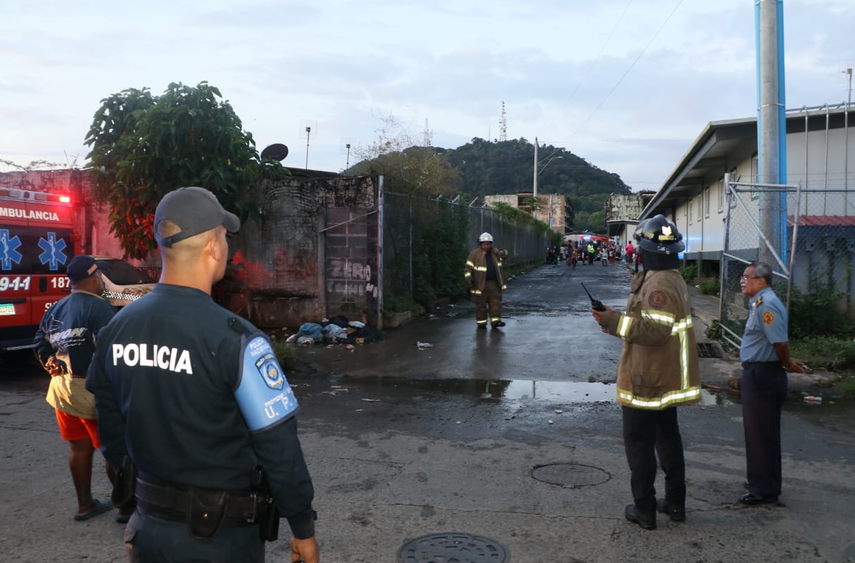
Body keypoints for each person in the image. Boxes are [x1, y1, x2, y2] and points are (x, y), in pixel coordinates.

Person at [86, 187, 319, 563]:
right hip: (222, 540)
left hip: (148, 531)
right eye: (225, 238)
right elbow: (279, 447)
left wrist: (139, 499)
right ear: (213, 247)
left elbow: (111, 430)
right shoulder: (238, 340)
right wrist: (302, 526)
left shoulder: (117, 327)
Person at [590, 215, 701, 530]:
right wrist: (616, 315)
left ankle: (645, 509)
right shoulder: (669, 276)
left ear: (647, 250)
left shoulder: (659, 283)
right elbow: (655, 321)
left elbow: (654, 331)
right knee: (667, 438)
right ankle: (675, 504)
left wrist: (612, 322)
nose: (636, 252)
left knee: (639, 444)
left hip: (648, 380)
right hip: (663, 378)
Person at [34, 254, 121, 522]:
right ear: (94, 279)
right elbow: (110, 353)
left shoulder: (55, 308)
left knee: (79, 449)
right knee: (114, 449)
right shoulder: (102, 309)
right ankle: (127, 508)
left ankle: (85, 505)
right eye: (101, 277)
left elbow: (40, 342)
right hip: (93, 389)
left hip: (62, 389)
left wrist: (50, 361)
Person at [735, 262, 805, 506]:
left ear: (761, 282)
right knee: (759, 432)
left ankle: (764, 489)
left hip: (763, 376)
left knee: (761, 433)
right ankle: (763, 481)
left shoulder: (767, 305)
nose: (742, 281)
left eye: (747, 277)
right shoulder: (759, 303)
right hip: (759, 373)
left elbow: (780, 344)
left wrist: (785, 364)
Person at [464, 232, 508, 329]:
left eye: (488, 243)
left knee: (495, 303)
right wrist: (468, 277)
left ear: (491, 244)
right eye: (484, 244)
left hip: (494, 283)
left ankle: (495, 321)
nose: (486, 246)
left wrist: (503, 252)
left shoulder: (495, 252)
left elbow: (504, 255)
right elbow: (468, 268)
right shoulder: (474, 254)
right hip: (479, 284)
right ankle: (481, 323)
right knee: (480, 305)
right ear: (480, 244)